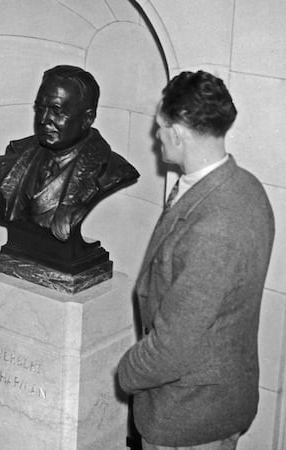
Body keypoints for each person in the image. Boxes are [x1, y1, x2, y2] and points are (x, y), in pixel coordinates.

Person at [117, 71, 275, 449]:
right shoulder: (246, 186)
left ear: (178, 133)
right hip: (210, 401)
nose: (156, 137)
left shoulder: (216, 224)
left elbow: (173, 347)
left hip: (189, 416)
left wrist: (125, 372)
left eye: (160, 127)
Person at [0, 65, 138, 243]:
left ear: (87, 118)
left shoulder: (113, 170)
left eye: (57, 111)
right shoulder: (15, 156)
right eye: (40, 108)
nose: (44, 119)